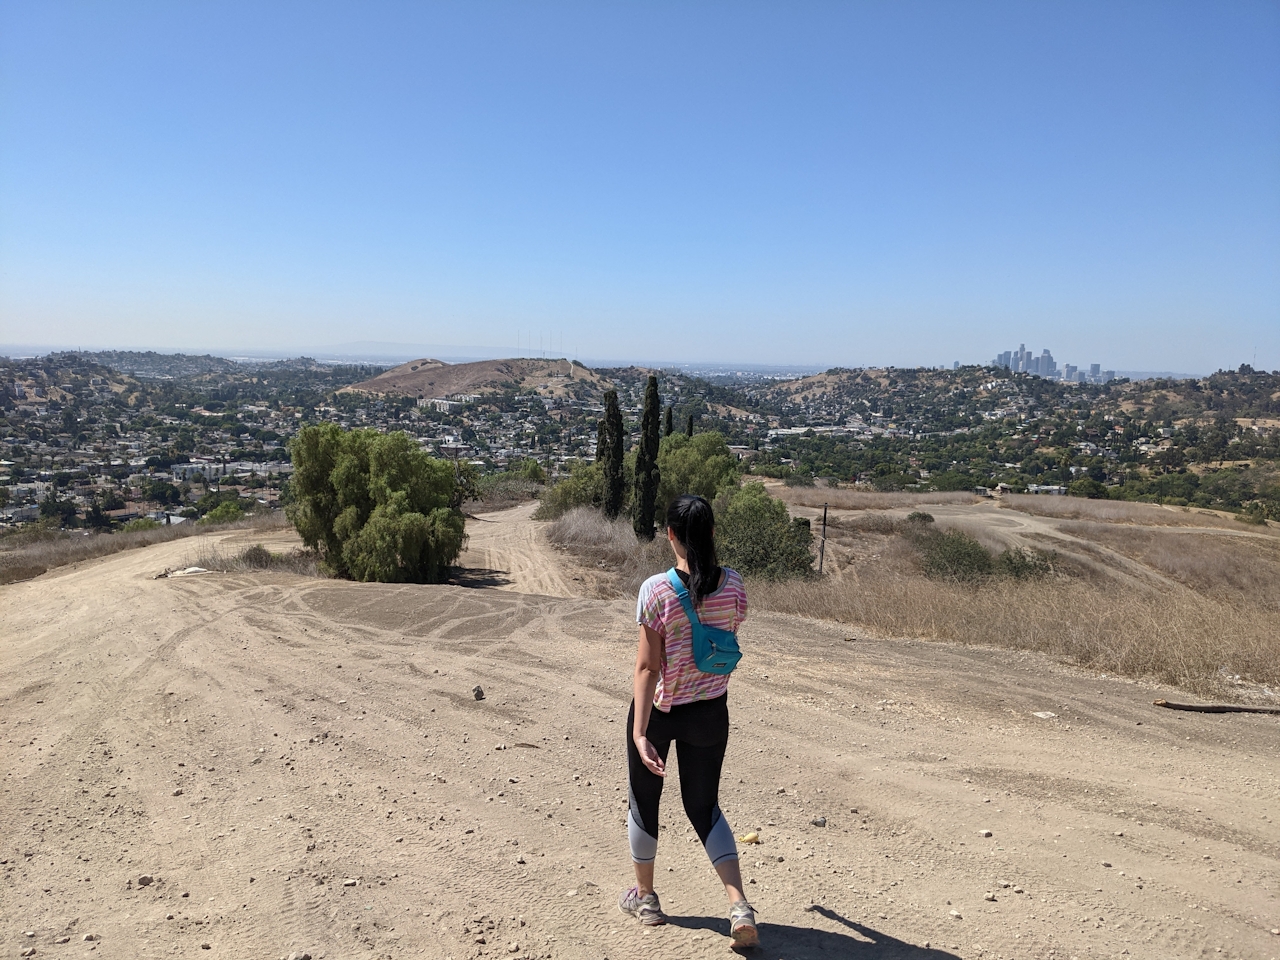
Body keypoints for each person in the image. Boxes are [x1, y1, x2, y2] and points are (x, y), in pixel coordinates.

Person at [618, 494, 758, 948]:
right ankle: (739, 907)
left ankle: (647, 899)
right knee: (704, 807)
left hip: (662, 712)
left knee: (645, 800)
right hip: (710, 711)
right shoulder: (734, 584)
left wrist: (640, 733)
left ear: (671, 534)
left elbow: (647, 668)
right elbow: (727, 636)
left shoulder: (656, 590)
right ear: (713, 533)